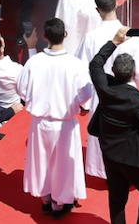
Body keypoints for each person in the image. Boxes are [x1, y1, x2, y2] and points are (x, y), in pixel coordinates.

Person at [17, 17, 94, 217]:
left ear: (44, 37)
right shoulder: (75, 65)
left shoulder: (34, 62)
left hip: (40, 122)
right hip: (65, 124)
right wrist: (82, 106)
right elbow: (86, 94)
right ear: (65, 35)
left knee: (42, 161)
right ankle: (60, 202)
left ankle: (46, 198)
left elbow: (22, 91)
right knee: (64, 164)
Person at [86, 27, 139, 224]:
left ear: (113, 72)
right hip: (135, 159)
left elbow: (95, 64)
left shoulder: (105, 87)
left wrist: (114, 41)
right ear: (134, 72)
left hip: (110, 154)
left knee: (117, 197)